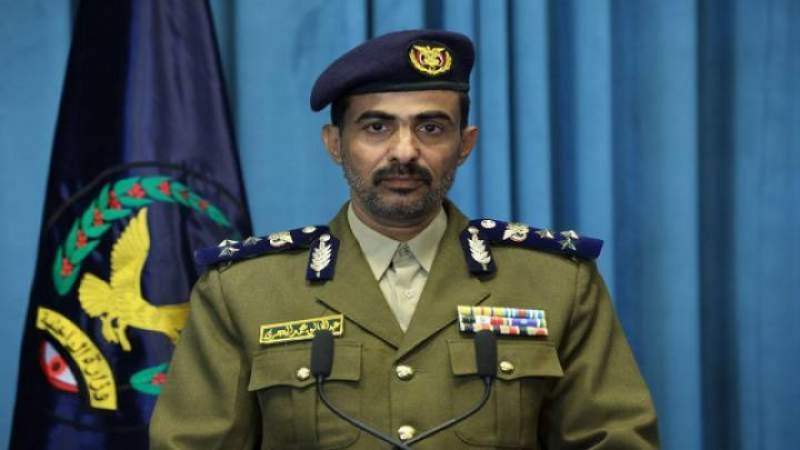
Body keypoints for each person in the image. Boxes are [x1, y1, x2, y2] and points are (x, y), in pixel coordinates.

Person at [150, 29, 660, 449]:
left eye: (431, 128)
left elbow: (615, 440)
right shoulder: (244, 291)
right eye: (376, 127)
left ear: (465, 144)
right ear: (335, 144)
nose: (404, 152)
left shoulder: (555, 282)